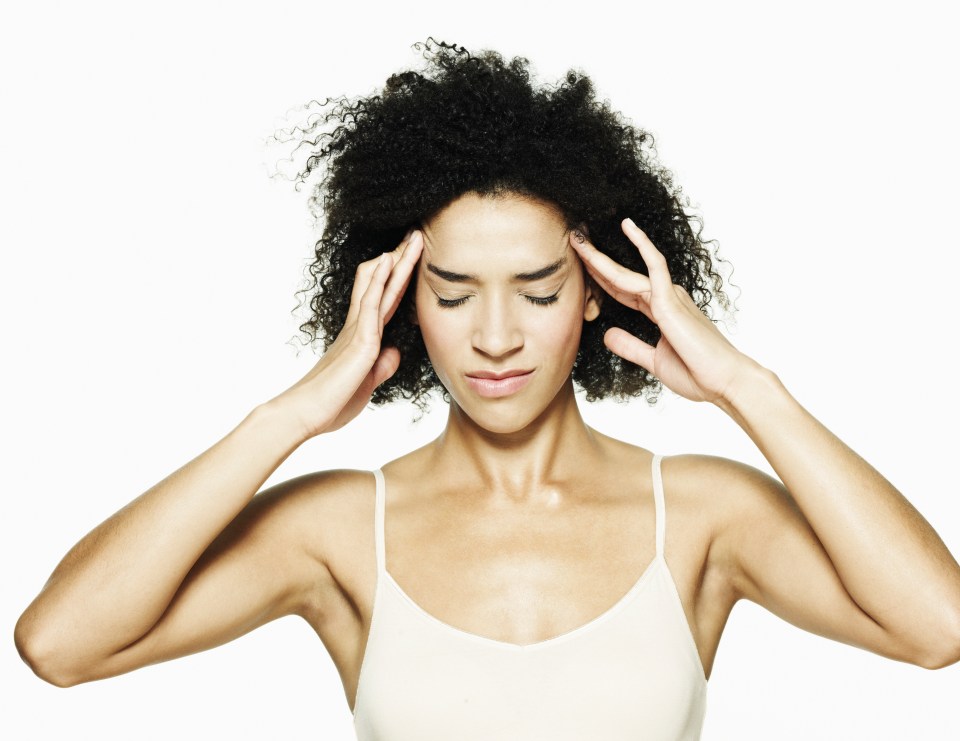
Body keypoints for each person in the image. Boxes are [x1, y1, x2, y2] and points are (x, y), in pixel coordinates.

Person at [13, 38, 960, 739]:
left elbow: (937, 627)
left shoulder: (705, 513)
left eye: (540, 291)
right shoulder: (342, 529)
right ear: (400, 299)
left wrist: (749, 388)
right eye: (453, 293)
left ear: (595, 293)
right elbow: (60, 643)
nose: (497, 336)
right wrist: (290, 416)